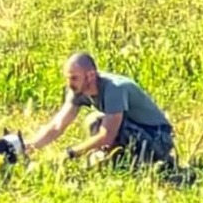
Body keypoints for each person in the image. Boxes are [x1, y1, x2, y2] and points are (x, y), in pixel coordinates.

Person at [25, 52, 176, 169]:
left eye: (74, 78)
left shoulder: (115, 89)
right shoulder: (79, 90)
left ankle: (148, 162)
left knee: (107, 125)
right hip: (135, 131)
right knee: (94, 121)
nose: (69, 84)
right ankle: (116, 161)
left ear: (90, 75)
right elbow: (58, 125)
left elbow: (106, 136)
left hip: (157, 138)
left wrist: (69, 154)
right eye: (68, 79)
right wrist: (30, 146)